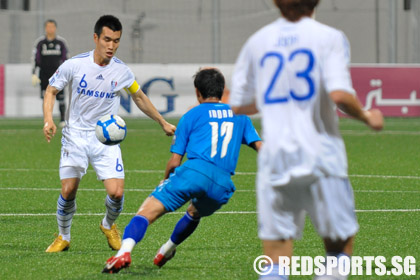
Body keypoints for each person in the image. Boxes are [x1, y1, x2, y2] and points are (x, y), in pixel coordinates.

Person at [229, 1, 384, 279]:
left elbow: (239, 105)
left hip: (276, 158)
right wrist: (366, 115)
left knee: (275, 257)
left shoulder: (257, 42)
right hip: (322, 155)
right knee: (339, 247)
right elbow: (339, 94)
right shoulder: (329, 37)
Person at [102, 68, 262, 274]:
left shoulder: (191, 115)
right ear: (222, 91)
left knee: (147, 211)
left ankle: (123, 252)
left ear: (197, 92)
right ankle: (167, 249)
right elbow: (260, 147)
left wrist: (165, 181)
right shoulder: (241, 117)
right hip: (222, 185)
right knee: (194, 213)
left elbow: (174, 161)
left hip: (194, 172)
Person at [43, 15, 176, 253]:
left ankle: (108, 225)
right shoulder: (75, 64)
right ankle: (64, 236)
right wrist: (48, 120)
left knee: (116, 193)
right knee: (68, 190)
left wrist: (162, 122)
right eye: (107, 39)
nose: (111, 46)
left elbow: (139, 97)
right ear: (96, 38)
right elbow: (51, 90)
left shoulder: (122, 71)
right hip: (76, 136)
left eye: (116, 41)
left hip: (106, 139)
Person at [32, 19, 69, 128]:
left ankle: (62, 119)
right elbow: (35, 58)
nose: (50, 29)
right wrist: (33, 73)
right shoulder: (40, 43)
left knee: (61, 98)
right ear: (45, 28)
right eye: (48, 27)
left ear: (55, 28)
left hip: (58, 75)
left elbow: (66, 59)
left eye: (52, 27)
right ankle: (48, 120)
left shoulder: (61, 43)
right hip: (44, 75)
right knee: (46, 98)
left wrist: (67, 73)